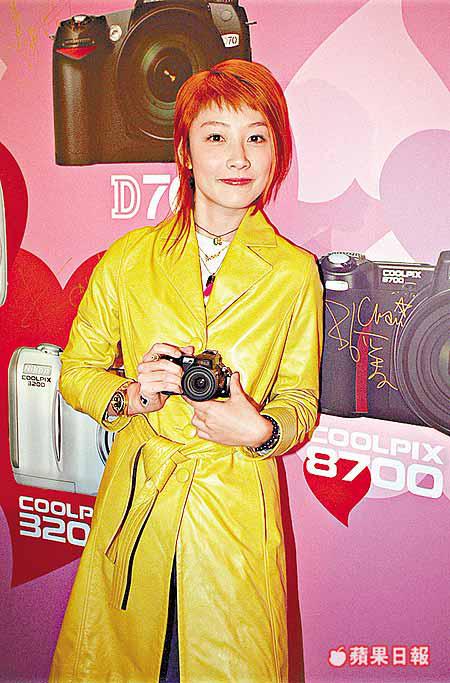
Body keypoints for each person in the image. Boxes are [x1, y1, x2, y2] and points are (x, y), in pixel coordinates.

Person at [49, 58, 323, 683]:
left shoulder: (293, 273)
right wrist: (129, 397)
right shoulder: (129, 259)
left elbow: (300, 398)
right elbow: (76, 369)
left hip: (233, 506)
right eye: (216, 136)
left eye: (257, 136)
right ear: (185, 151)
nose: (238, 157)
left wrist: (260, 430)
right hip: (139, 500)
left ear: (277, 153)